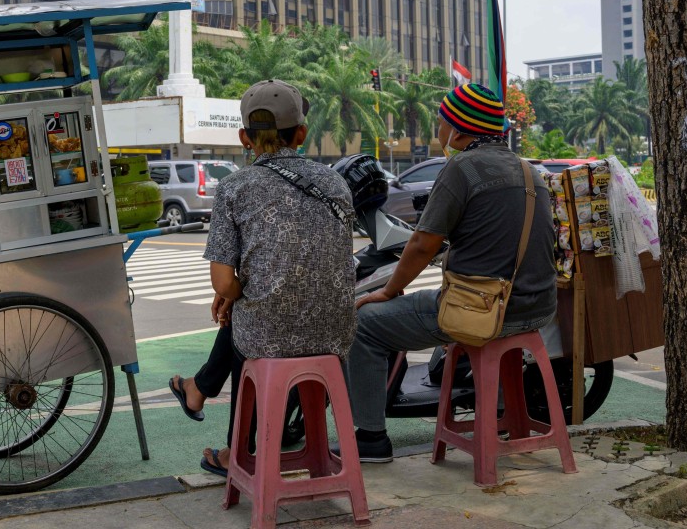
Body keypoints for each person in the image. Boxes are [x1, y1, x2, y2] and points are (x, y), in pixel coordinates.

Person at [346, 82, 558, 462]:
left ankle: (370, 438)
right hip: (536, 309)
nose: (438, 130)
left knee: (364, 324)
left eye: (441, 122)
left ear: (458, 130)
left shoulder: (460, 167)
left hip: (481, 310)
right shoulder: (528, 170)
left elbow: (423, 244)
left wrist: (389, 291)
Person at [168, 79, 357, 476]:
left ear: (244, 137)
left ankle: (240, 454)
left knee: (246, 325)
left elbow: (223, 282)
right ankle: (200, 393)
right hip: (335, 331)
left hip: (270, 332)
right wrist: (235, 296)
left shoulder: (236, 186)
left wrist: (231, 296)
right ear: (301, 133)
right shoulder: (336, 181)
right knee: (248, 314)